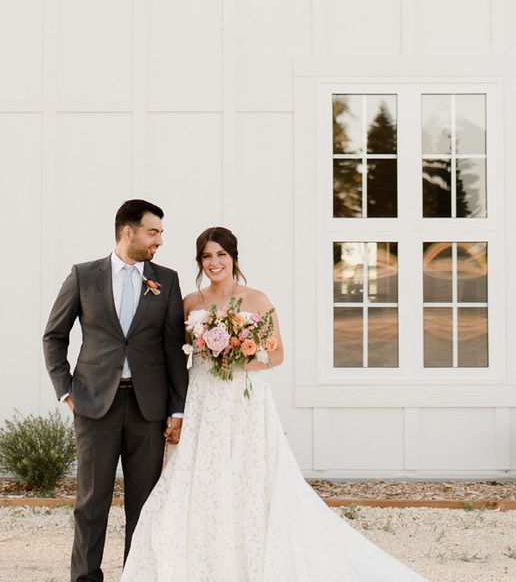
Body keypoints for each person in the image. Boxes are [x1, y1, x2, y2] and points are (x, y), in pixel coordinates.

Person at [119, 226, 430, 582]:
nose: (214, 262)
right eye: (207, 256)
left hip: (246, 400)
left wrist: (235, 357)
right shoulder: (191, 303)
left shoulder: (257, 299)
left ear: (234, 258)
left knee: (249, 476)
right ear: (199, 261)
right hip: (203, 399)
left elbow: (277, 353)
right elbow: (178, 356)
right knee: (197, 478)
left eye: (221, 254)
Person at [43, 198, 189, 582]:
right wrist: (66, 391)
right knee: (91, 502)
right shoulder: (83, 275)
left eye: (159, 233)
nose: (159, 240)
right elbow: (54, 336)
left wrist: (178, 409)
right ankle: (85, 577)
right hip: (94, 405)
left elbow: (174, 349)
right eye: (152, 232)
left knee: (144, 503)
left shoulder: (167, 279)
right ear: (129, 232)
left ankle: (137, 575)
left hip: (149, 408)